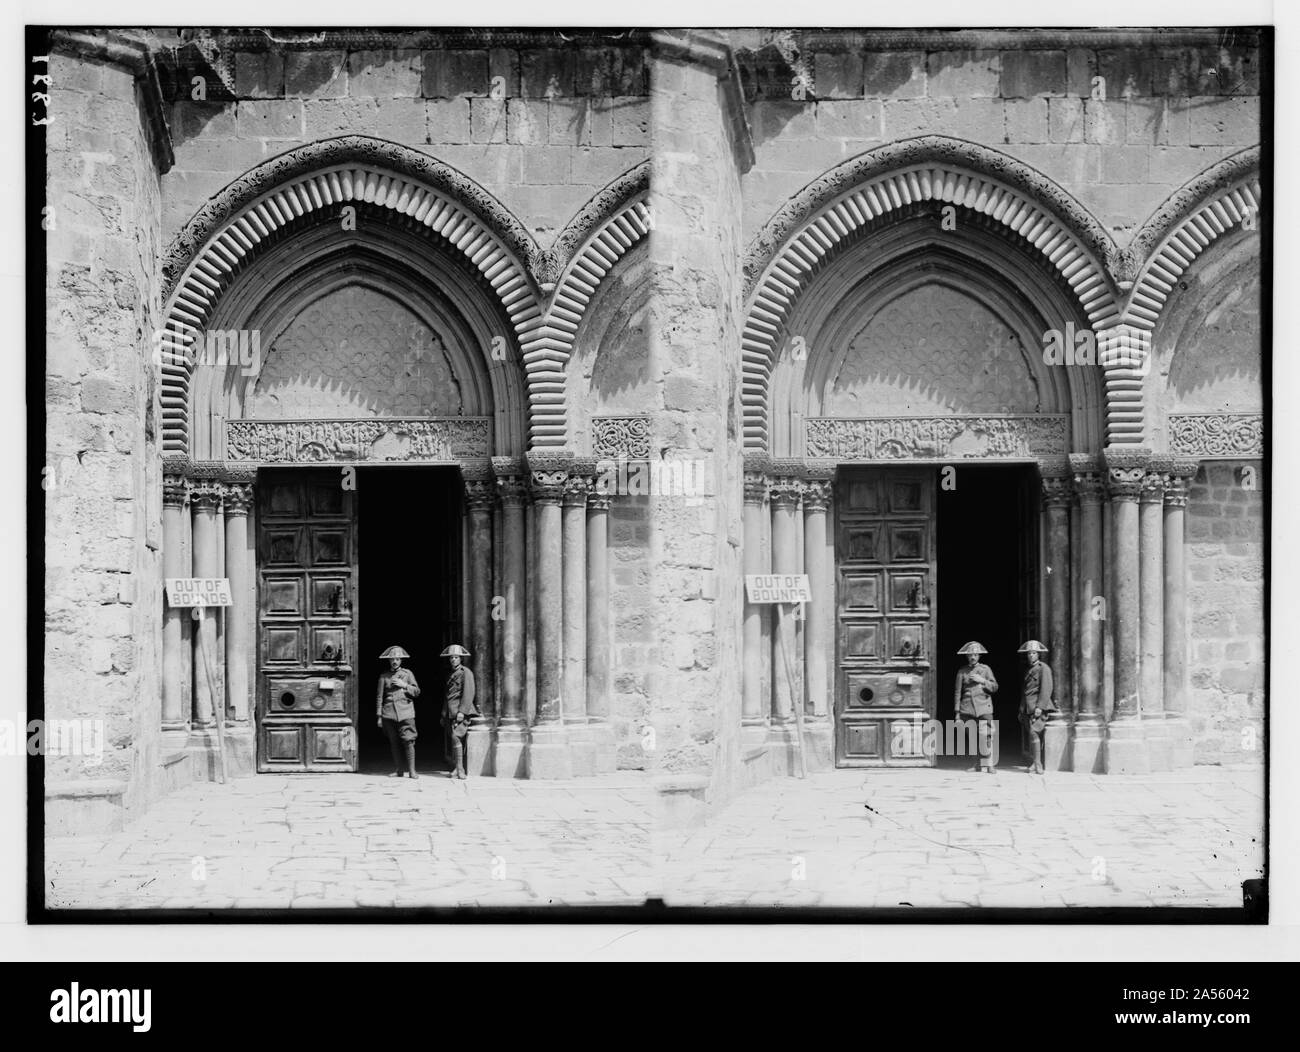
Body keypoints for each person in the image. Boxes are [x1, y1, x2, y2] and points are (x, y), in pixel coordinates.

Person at [376, 645, 421, 780]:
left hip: (406, 712)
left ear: (401, 660)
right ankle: (399, 770)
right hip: (388, 713)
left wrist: (404, 685)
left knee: (409, 741)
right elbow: (379, 697)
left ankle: (412, 771)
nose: (394, 661)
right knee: (394, 742)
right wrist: (379, 716)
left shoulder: (408, 674)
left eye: (397, 659)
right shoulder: (384, 676)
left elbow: (417, 692)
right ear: (389, 661)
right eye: (392, 659)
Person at [954, 641, 998, 773]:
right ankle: (976, 764)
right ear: (967, 656)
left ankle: (990, 764)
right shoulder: (962, 671)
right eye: (970, 655)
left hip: (984, 707)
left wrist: (983, 680)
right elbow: (957, 692)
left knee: (987, 736)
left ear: (979, 656)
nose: (973, 657)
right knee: (973, 737)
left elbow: (995, 687)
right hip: (967, 708)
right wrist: (957, 713)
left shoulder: (986, 669)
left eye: (975, 654)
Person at [1018, 639, 1056, 774]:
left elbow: (1046, 688)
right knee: (1031, 734)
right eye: (1029, 653)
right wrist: (1021, 709)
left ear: (1038, 654)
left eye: (1033, 653)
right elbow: (1025, 691)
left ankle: (1038, 764)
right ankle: (1035, 763)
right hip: (1028, 707)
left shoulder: (1043, 668)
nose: (1031, 655)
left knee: (1034, 732)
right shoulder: (1028, 669)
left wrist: (1040, 707)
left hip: (1038, 706)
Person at [441, 644, 478, 779]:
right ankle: (457, 768)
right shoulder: (450, 674)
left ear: (461, 659)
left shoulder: (466, 672)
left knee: (456, 737)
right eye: (451, 657)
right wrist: (443, 713)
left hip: (461, 711)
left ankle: (460, 769)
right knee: (454, 739)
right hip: (451, 711)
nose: (453, 660)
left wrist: (462, 711)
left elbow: (469, 693)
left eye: (456, 657)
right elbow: (447, 696)